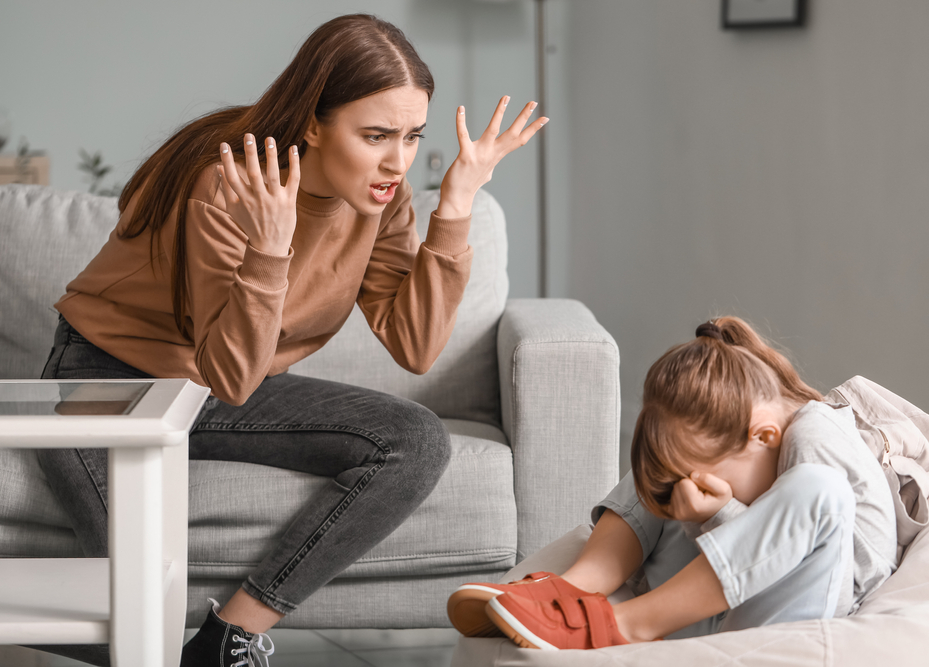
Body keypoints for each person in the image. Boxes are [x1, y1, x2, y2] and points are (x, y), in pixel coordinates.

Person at [36, 13, 547, 666]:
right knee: (139, 621)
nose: (398, 160)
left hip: (221, 380)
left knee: (414, 439)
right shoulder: (227, 182)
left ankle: (229, 637)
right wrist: (270, 249)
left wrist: (454, 206)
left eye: (413, 136)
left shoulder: (381, 199)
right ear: (313, 123)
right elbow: (234, 376)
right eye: (375, 135)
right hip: (112, 380)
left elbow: (415, 345)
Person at [448, 317, 899, 650]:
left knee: (820, 490)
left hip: (779, 628)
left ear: (764, 436)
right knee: (666, 454)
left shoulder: (814, 436)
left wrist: (721, 515)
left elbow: (857, 575)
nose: (690, 490)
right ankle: (574, 589)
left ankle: (621, 625)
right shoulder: (755, 434)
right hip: (700, 618)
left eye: (700, 481)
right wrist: (709, 511)